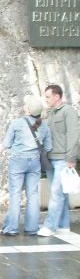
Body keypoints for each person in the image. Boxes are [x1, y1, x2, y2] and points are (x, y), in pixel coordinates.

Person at [0, 95, 52, 236]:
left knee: (15, 194)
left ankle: (11, 228)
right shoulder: (44, 126)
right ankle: (32, 228)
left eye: (25, 104)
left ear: (28, 110)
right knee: (33, 194)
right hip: (35, 162)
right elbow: (48, 147)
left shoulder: (17, 123)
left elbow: (6, 144)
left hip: (18, 161)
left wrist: (17, 150)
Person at [37, 84, 79, 236]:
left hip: (63, 159)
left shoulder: (68, 111)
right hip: (51, 159)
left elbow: (74, 135)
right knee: (60, 192)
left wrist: (70, 157)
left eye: (48, 96)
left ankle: (50, 226)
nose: (46, 99)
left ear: (57, 96)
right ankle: (63, 225)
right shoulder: (49, 114)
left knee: (56, 192)